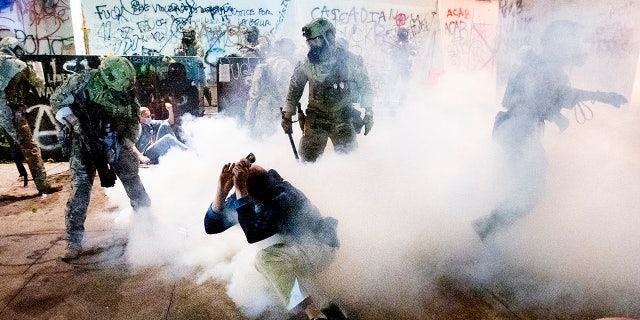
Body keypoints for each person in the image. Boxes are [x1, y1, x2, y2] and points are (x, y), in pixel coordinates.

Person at [472, 20, 628, 241]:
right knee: (530, 191)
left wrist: (554, 113)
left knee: (521, 186)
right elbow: (564, 95)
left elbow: (530, 99)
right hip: (520, 130)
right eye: (570, 41)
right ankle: (487, 229)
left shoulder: (532, 63)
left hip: (512, 128)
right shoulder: (546, 68)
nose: (573, 47)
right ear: (557, 44)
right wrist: (604, 96)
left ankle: (492, 237)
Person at [204, 155, 347, 320]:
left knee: (266, 260)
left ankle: (313, 313)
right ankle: (326, 304)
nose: (238, 197)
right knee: (266, 259)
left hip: (321, 246)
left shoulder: (282, 195)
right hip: (294, 246)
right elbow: (211, 226)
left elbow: (253, 233)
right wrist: (221, 190)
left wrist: (241, 190)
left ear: (252, 192)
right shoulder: (250, 191)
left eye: (243, 191)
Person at [51, 56, 152, 261]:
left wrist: (124, 144)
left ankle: (146, 223)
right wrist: (75, 124)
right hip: (84, 140)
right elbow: (57, 100)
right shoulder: (82, 82)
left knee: (133, 181)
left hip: (116, 138)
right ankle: (74, 239)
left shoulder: (127, 94)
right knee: (80, 189)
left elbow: (133, 125)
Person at [281, 18, 374, 162]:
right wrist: (287, 117)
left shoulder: (350, 60)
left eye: (316, 41)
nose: (312, 46)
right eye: (310, 42)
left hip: (343, 118)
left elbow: (365, 85)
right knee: (307, 161)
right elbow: (294, 91)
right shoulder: (305, 64)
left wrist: (369, 112)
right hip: (316, 119)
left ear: (329, 38)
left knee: (350, 162)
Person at [0, 36, 61, 195]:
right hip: (10, 112)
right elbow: (38, 82)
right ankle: (43, 185)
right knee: (30, 147)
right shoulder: (17, 65)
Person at [245, 38, 297, 139]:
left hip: (262, 112)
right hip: (277, 113)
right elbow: (287, 93)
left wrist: (249, 119)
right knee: (276, 144)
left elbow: (254, 95)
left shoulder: (263, 65)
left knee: (262, 143)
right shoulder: (284, 65)